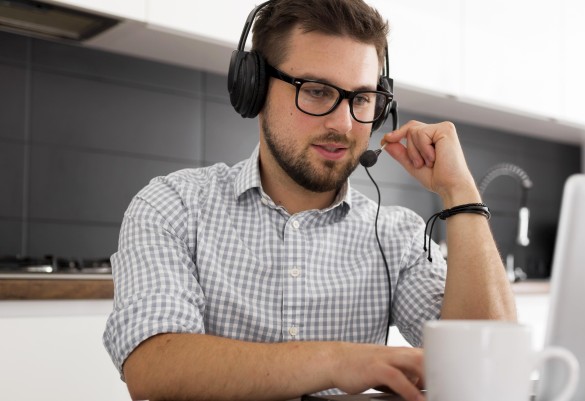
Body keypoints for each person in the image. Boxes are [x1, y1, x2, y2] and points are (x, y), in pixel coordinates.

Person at [102, 0, 516, 400]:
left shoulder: (399, 237)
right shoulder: (172, 206)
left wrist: (460, 194)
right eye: (316, 91)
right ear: (255, 88)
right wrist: (336, 361)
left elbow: (486, 364)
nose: (343, 123)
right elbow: (153, 365)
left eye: (361, 99)